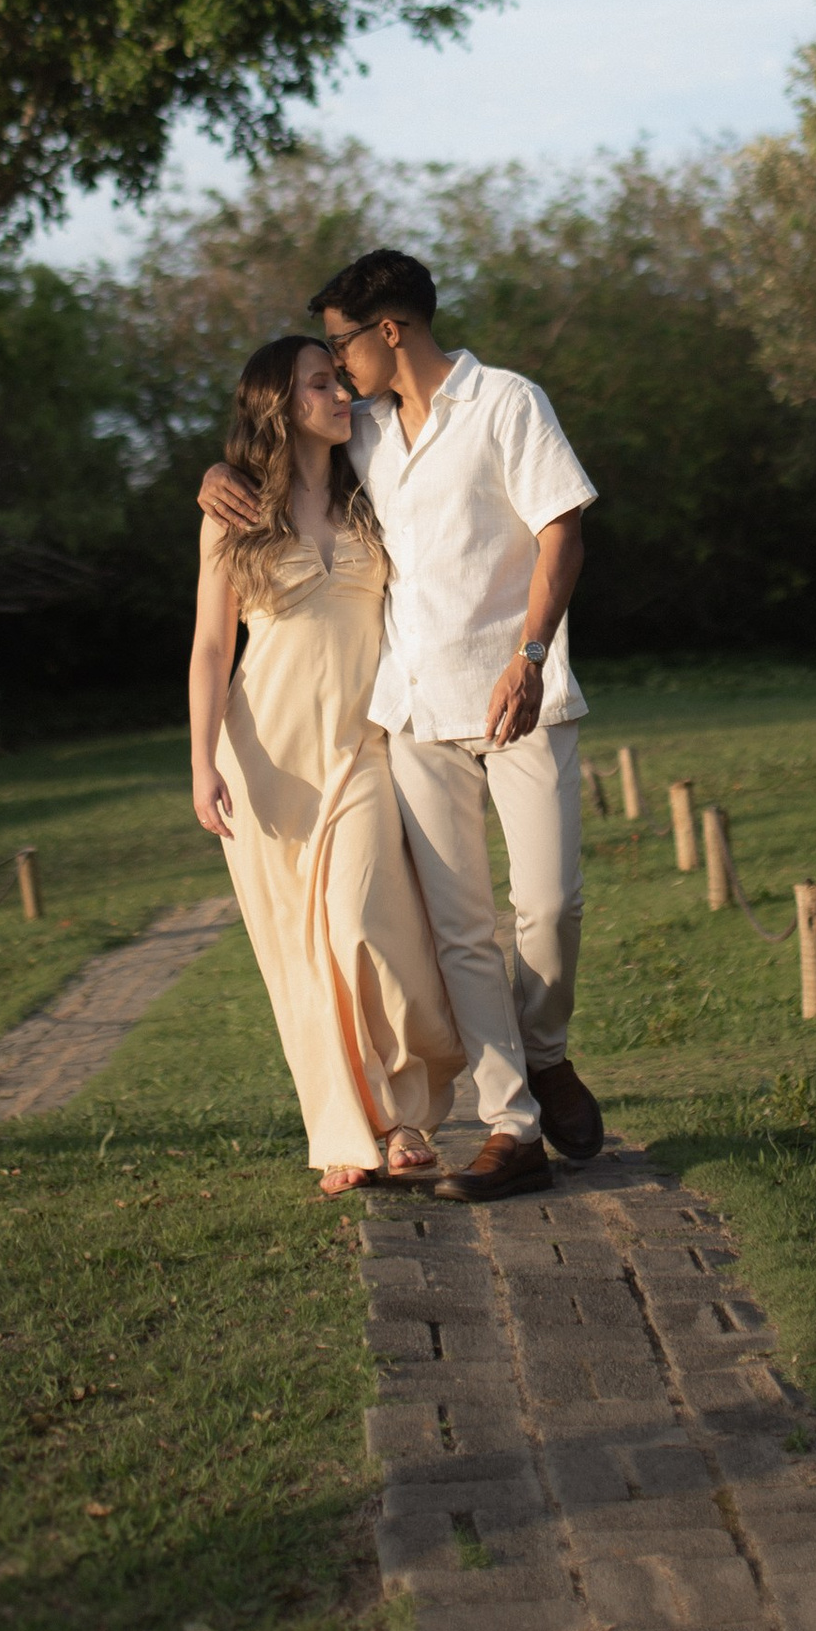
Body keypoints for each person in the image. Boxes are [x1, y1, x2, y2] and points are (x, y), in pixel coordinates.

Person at [201, 247, 603, 1203]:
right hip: (415, 710)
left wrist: (531, 656)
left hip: (520, 698)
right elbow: (273, 451)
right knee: (461, 930)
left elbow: (564, 532)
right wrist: (214, 470)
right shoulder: (365, 431)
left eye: (342, 345)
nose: (336, 369)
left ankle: (543, 1056)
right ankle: (511, 1129)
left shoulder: (507, 402)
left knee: (550, 904)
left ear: (391, 331)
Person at [190, 334, 465, 1196]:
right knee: (295, 955)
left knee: (364, 926)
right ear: (279, 403)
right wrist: (201, 761)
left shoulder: (372, 483)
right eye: (320, 384)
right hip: (265, 752)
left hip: (360, 744)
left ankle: (407, 1112)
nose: (340, 394)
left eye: (338, 380)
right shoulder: (228, 511)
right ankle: (350, 1133)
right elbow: (208, 647)